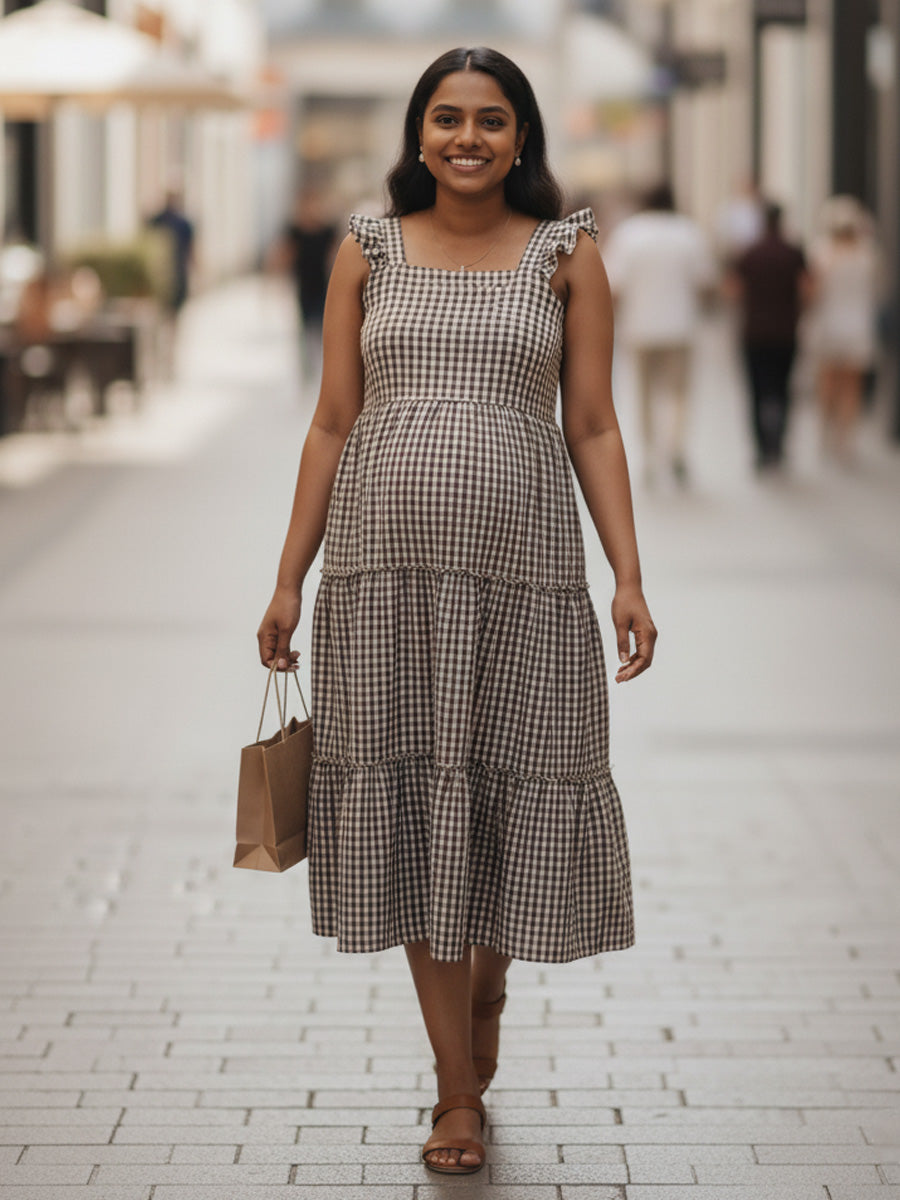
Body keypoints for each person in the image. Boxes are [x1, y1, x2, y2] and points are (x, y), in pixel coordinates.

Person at [256, 46, 656, 1176]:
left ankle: (484, 997)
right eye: (446, 118)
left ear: (522, 135)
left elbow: (593, 425)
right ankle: (455, 1092)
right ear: (417, 133)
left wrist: (627, 575)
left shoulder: (568, 256)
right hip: (383, 583)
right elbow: (333, 420)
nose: (467, 138)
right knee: (416, 801)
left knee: (505, 798)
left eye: (490, 119)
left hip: (528, 580)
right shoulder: (365, 249)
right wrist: (289, 576)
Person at [602, 183, 716, 486]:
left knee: (643, 393)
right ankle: (675, 448)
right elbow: (706, 282)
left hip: (639, 327)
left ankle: (650, 454)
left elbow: (614, 286)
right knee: (678, 393)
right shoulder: (689, 233)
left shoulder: (630, 234)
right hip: (680, 326)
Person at [728, 202, 811, 470]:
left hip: (754, 333)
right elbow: (807, 289)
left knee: (756, 390)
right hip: (786, 332)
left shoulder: (750, 253)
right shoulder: (794, 252)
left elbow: (733, 290)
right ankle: (779, 445)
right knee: (783, 389)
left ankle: (761, 448)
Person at [810, 196, 880, 462]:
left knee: (828, 383)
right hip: (857, 326)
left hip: (830, 324)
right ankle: (845, 437)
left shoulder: (824, 254)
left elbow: (815, 292)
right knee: (852, 387)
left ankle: (826, 432)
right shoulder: (867, 256)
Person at [276, 189, 338, 381]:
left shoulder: (328, 230)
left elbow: (335, 255)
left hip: (323, 285)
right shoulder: (295, 230)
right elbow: (285, 254)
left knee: (322, 328)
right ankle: (306, 369)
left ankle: (324, 368)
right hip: (303, 285)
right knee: (304, 329)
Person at [147, 189, 195, 315]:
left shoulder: (182, 223)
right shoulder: (159, 220)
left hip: (176, 269)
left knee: (175, 304)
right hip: (166, 270)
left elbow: (191, 247)